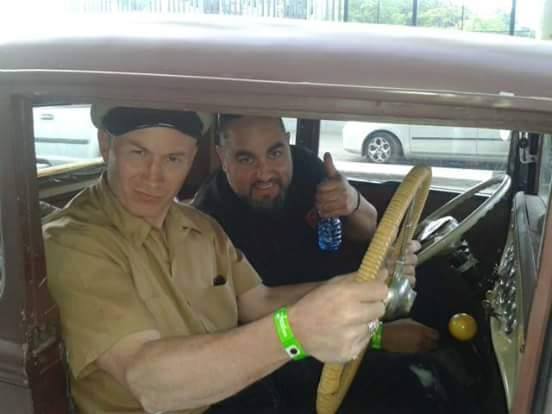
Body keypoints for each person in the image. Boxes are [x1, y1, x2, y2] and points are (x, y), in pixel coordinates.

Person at [43, 105, 388, 414]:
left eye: (174, 159)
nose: (154, 176)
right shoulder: (73, 241)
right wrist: (294, 332)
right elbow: (149, 383)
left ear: (192, 157)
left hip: (231, 397)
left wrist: (361, 287)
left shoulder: (202, 227)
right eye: (138, 153)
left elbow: (259, 301)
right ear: (106, 145)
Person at [193, 115, 477, 413]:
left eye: (275, 152)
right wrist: (375, 335)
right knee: (413, 389)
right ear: (222, 157)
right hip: (291, 344)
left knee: (442, 285)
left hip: (352, 295)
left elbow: (369, 229)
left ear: (287, 143)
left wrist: (352, 202)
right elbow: (253, 307)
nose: (265, 173)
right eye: (245, 159)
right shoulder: (210, 219)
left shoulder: (305, 167)